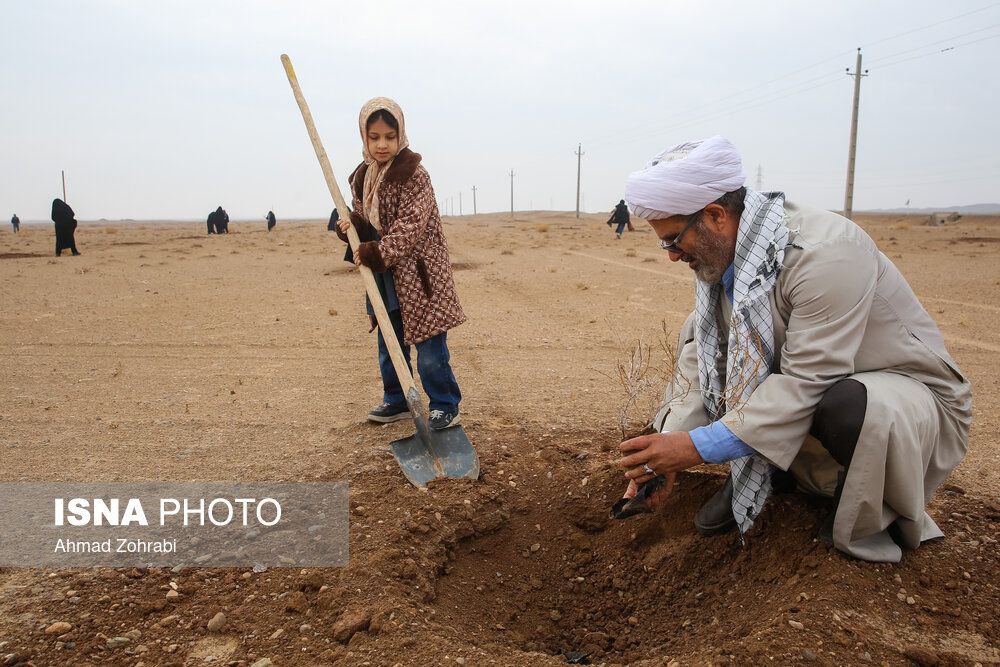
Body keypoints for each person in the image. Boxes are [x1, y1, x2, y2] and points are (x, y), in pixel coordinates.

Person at [615, 135, 971, 562]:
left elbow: (809, 381)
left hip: (904, 401)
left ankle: (865, 510)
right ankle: (768, 474)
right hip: (814, 393)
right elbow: (704, 361)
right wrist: (669, 444)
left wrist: (696, 448)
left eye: (674, 240)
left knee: (847, 404)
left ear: (714, 215)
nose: (671, 256)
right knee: (703, 333)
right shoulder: (727, 254)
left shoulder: (827, 254)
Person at [334, 97, 466, 430]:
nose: (382, 144)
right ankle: (397, 399)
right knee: (388, 341)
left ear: (401, 135)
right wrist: (353, 227)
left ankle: (444, 404)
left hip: (420, 275)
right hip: (385, 276)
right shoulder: (362, 175)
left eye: (389, 136)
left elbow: (410, 226)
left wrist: (374, 252)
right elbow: (367, 220)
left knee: (430, 346)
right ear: (363, 137)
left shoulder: (413, 174)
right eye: (374, 136)